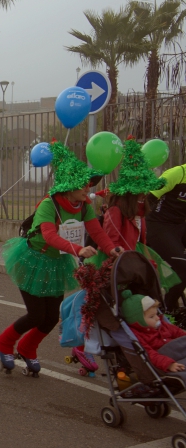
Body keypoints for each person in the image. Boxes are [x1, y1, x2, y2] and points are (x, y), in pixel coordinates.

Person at [0, 141, 122, 374]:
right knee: (36, 314)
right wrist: (78, 249)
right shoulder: (48, 204)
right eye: (84, 184)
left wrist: (112, 249)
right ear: (69, 185)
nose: (88, 188)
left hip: (56, 262)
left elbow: (96, 231)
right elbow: (49, 235)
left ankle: (27, 348)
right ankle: (4, 344)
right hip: (33, 258)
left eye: (90, 184)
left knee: (51, 317)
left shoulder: (84, 206)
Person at [87, 137, 179, 290]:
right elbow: (111, 242)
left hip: (134, 255)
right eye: (141, 191)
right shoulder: (116, 211)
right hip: (120, 261)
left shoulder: (139, 212)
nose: (145, 194)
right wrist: (125, 263)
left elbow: (140, 239)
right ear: (131, 193)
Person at [147, 162, 186, 311]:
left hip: (180, 225)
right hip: (159, 225)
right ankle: (169, 308)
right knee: (184, 270)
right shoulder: (177, 173)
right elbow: (147, 199)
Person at [120, 290, 186, 374]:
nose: (157, 318)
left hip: (180, 353)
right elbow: (150, 354)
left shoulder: (163, 325)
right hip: (166, 359)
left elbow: (179, 333)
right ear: (139, 321)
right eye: (152, 316)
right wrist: (169, 364)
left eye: (156, 314)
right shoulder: (138, 335)